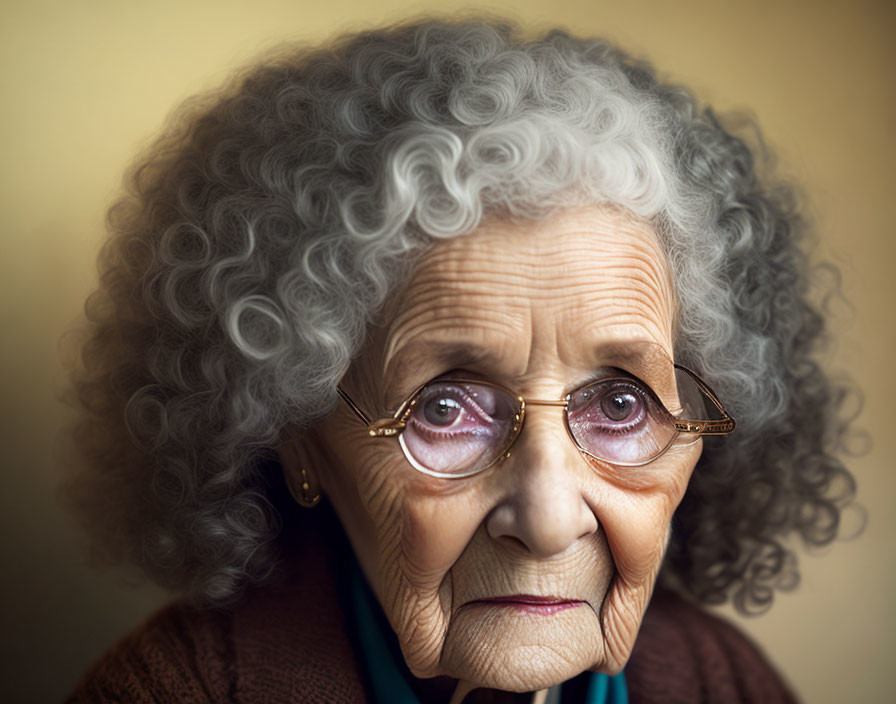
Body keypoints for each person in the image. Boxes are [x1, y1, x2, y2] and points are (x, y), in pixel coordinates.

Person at [62, 18, 857, 703]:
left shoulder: (721, 683)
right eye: (444, 409)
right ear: (299, 434)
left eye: (620, 404)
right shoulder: (180, 690)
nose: (548, 522)